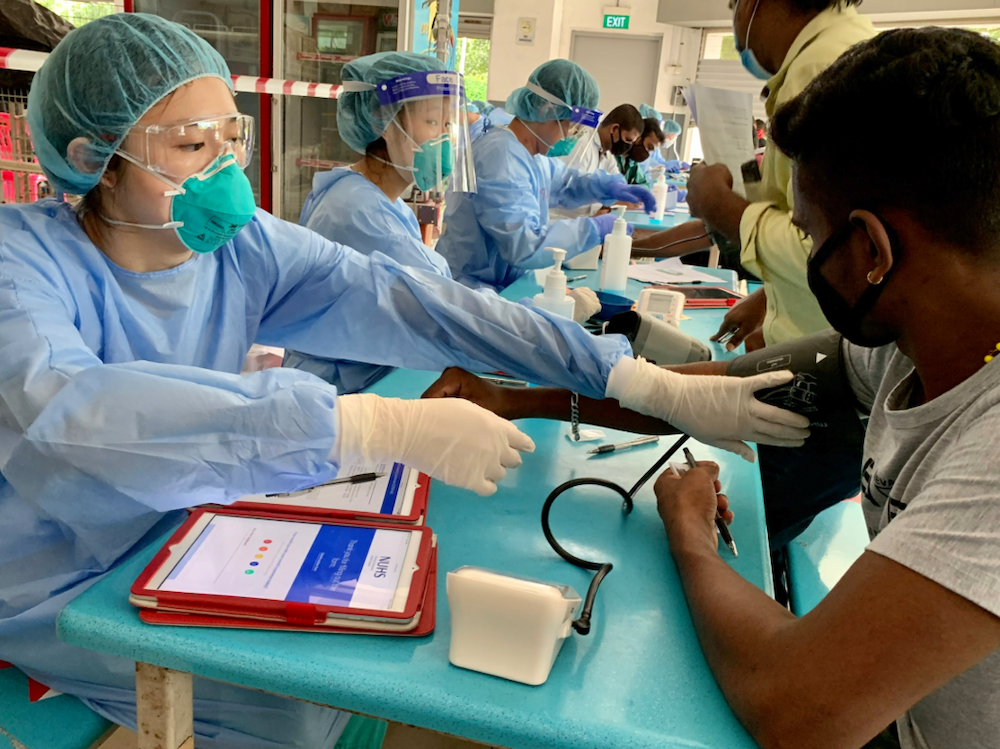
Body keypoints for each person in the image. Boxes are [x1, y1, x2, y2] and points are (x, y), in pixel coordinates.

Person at [0, 14, 810, 748]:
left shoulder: (238, 246)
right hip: (59, 576)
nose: (225, 171)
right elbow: (72, 418)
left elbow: (419, 301)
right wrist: (364, 428)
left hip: (189, 526)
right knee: (295, 705)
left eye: (232, 139)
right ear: (91, 156)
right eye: (190, 146)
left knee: (354, 652)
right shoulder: (19, 263)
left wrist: (636, 377)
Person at [426, 27, 1000, 749]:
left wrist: (689, 530)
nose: (796, 253)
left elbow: (801, 708)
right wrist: (515, 397)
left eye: (805, 233)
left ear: (872, 250)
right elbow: (705, 389)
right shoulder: (908, 351)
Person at [686, 0, 874, 350]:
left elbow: (835, 249)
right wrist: (770, 299)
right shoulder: (842, 48)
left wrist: (718, 205)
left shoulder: (821, 70)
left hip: (833, 347)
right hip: (826, 333)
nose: (737, 18)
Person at [286, 52, 463, 394]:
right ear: (384, 122)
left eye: (447, 125)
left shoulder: (380, 199)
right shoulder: (359, 212)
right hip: (338, 396)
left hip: (364, 382)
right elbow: (444, 304)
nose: (444, 139)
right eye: (431, 123)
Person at [436, 60, 656, 291]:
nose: (574, 135)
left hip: (500, 285)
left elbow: (564, 184)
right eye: (572, 126)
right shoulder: (501, 157)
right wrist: (593, 229)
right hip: (469, 290)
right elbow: (524, 245)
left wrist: (607, 187)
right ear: (545, 110)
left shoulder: (532, 155)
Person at [614, 117, 666, 187]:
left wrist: (635, 191)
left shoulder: (631, 163)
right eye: (649, 147)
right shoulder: (613, 155)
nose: (647, 153)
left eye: (651, 151)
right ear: (638, 137)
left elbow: (645, 184)